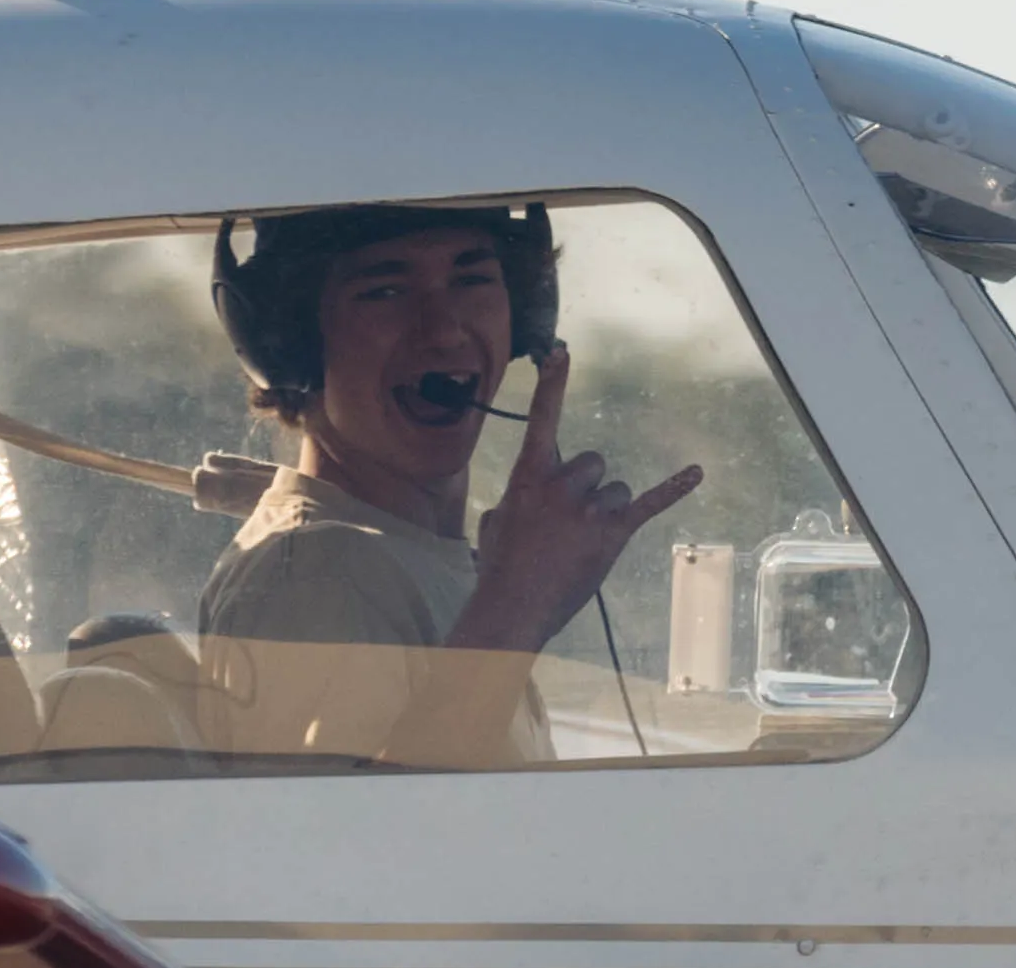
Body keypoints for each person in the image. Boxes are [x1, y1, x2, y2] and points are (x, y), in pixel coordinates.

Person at [184, 202, 700, 768]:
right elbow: (351, 845)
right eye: (385, 292)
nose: (444, 329)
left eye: (472, 280)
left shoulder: (412, 561)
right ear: (292, 343)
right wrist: (518, 606)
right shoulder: (322, 569)